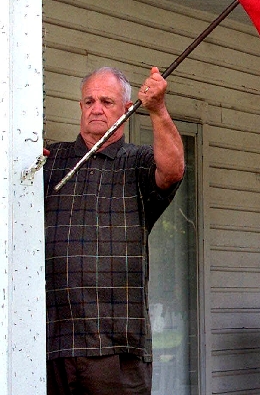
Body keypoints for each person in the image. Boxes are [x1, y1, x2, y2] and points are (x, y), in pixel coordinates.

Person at [43, 66, 185, 395]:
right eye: (89, 100)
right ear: (80, 107)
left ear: (125, 108)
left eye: (107, 101)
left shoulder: (137, 161)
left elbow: (173, 170)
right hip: (50, 343)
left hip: (116, 348)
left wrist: (159, 110)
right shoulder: (52, 159)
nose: (96, 108)